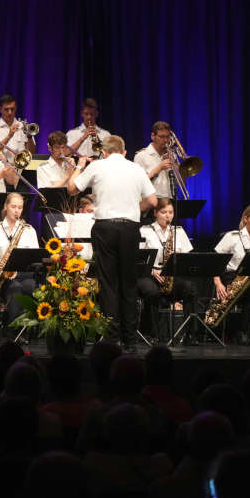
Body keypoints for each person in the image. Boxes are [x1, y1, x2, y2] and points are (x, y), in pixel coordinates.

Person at [68, 135, 157, 349]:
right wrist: (135, 208)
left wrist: (79, 166)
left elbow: (72, 189)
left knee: (108, 283)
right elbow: (153, 201)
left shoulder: (97, 165)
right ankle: (131, 340)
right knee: (128, 283)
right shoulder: (136, 168)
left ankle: (112, 338)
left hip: (105, 227)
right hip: (129, 228)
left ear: (104, 152)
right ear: (124, 152)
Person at [138, 197, 198, 341]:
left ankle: (191, 333)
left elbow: (187, 257)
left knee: (190, 288)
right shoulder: (145, 231)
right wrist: (152, 271)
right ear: (155, 213)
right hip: (151, 273)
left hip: (171, 275)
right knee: (151, 291)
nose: (168, 216)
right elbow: (139, 258)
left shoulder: (178, 231)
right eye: (164, 212)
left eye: (170, 212)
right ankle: (152, 334)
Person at [212, 204, 250, 343]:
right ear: (246, 219)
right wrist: (218, 283)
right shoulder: (232, 236)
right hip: (232, 277)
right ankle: (243, 330)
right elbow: (214, 262)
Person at [0, 192, 40, 321]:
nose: (17, 210)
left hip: (24, 273)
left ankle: (29, 328)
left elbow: (35, 257)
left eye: (20, 207)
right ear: (6, 207)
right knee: (15, 288)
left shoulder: (29, 230)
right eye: (13, 207)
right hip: (2, 276)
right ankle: (15, 329)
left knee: (31, 287)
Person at [0, 94, 36, 184]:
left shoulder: (23, 126)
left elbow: (32, 152)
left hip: (22, 173)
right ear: (0, 109)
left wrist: (29, 136)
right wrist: (9, 136)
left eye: (12, 109)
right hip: (2, 173)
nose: (10, 112)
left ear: (16, 108)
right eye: (6, 109)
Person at [133, 121, 175, 199]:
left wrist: (176, 165)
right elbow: (139, 184)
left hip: (169, 200)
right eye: (161, 137)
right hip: (151, 201)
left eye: (167, 137)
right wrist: (159, 167)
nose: (166, 140)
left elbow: (180, 183)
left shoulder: (171, 155)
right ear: (153, 136)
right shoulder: (141, 156)